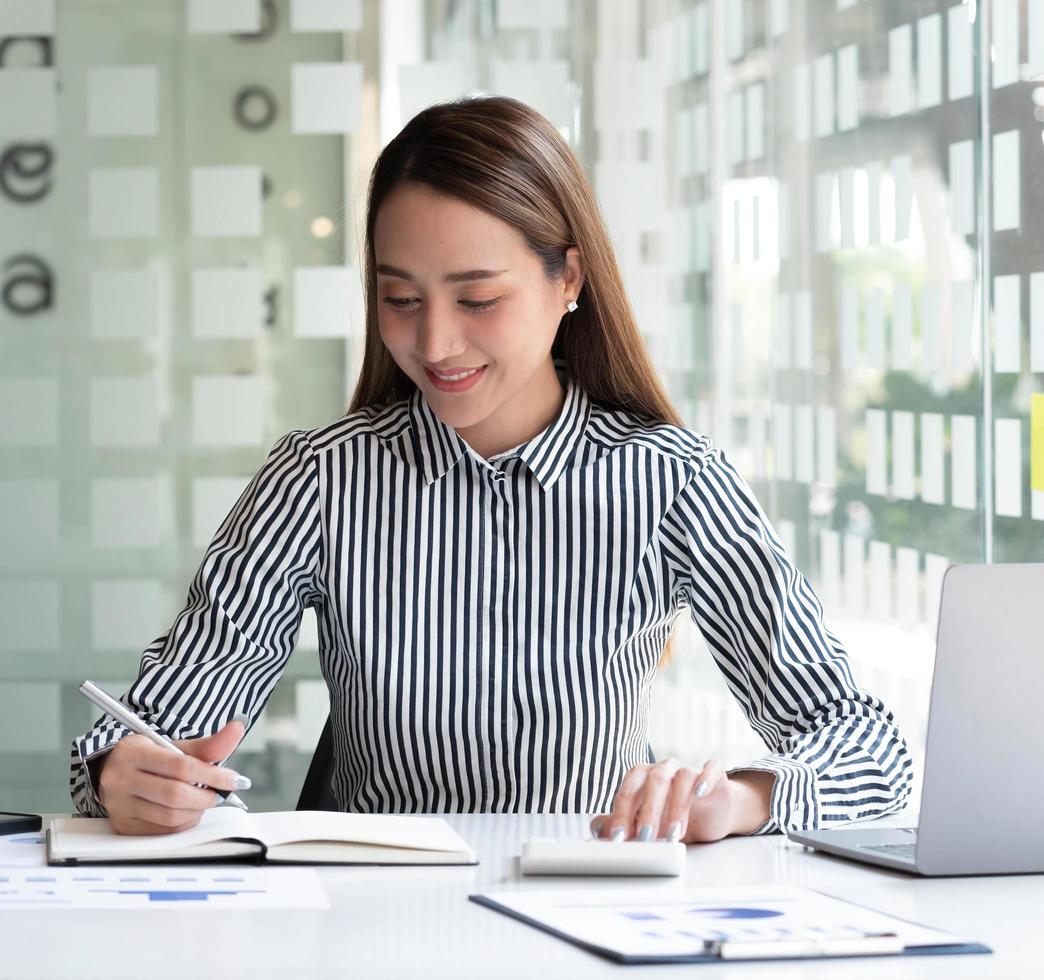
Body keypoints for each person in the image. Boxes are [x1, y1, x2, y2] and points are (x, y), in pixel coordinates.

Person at [69, 96, 911, 844]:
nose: (433, 345)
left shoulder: (671, 483)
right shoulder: (319, 480)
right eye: (400, 299)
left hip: (592, 921)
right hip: (370, 933)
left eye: (477, 299)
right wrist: (127, 774)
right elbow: (156, 731)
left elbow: (867, 751)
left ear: (567, 278)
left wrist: (740, 798)